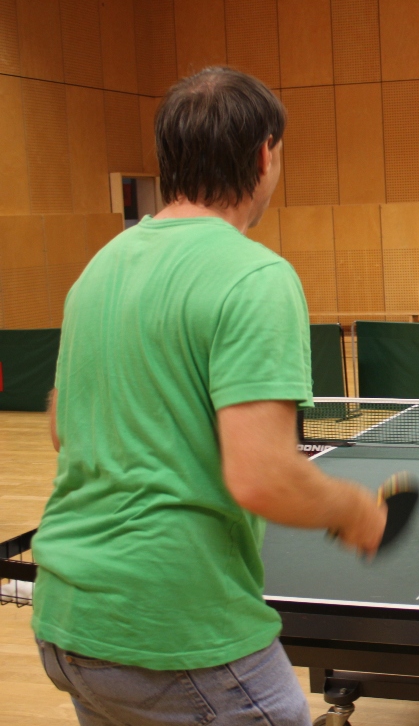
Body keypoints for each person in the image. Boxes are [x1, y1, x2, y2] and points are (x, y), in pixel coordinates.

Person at [31, 66, 386, 724]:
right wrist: (355, 509)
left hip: (70, 620)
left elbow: (61, 426)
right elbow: (262, 477)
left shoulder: (99, 268)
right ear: (264, 155)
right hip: (178, 628)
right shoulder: (255, 276)